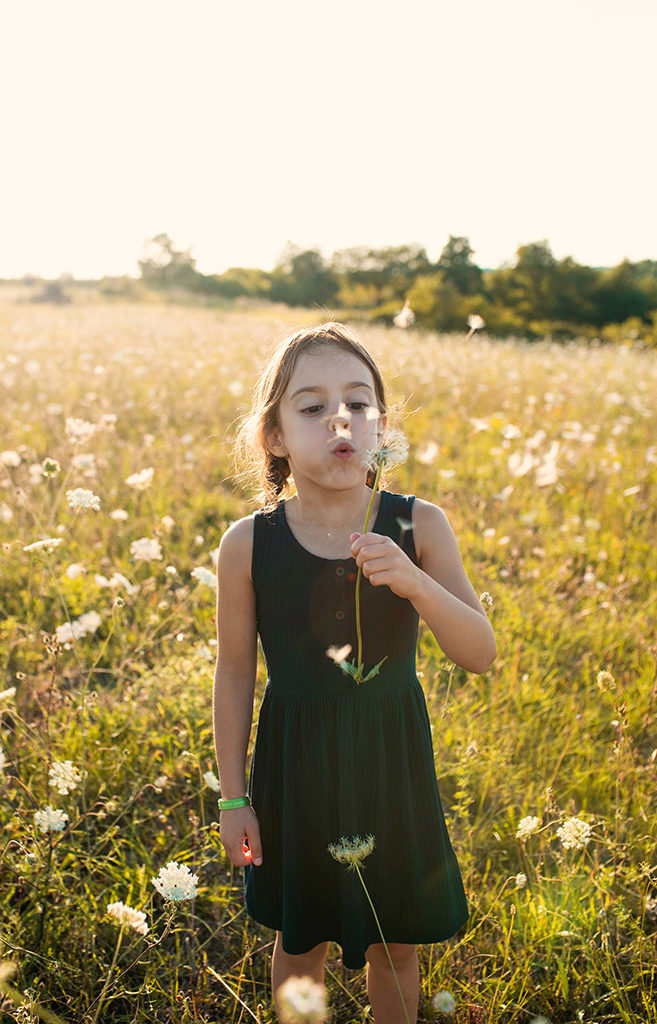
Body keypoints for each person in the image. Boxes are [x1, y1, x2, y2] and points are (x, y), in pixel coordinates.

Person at [213, 322, 496, 1024]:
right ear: (273, 436)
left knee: (395, 945)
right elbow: (234, 674)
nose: (339, 420)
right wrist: (231, 796)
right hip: (296, 766)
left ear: (381, 426)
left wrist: (415, 584)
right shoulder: (250, 543)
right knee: (299, 940)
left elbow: (479, 652)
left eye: (359, 403)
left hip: (389, 763)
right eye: (310, 408)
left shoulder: (418, 525)